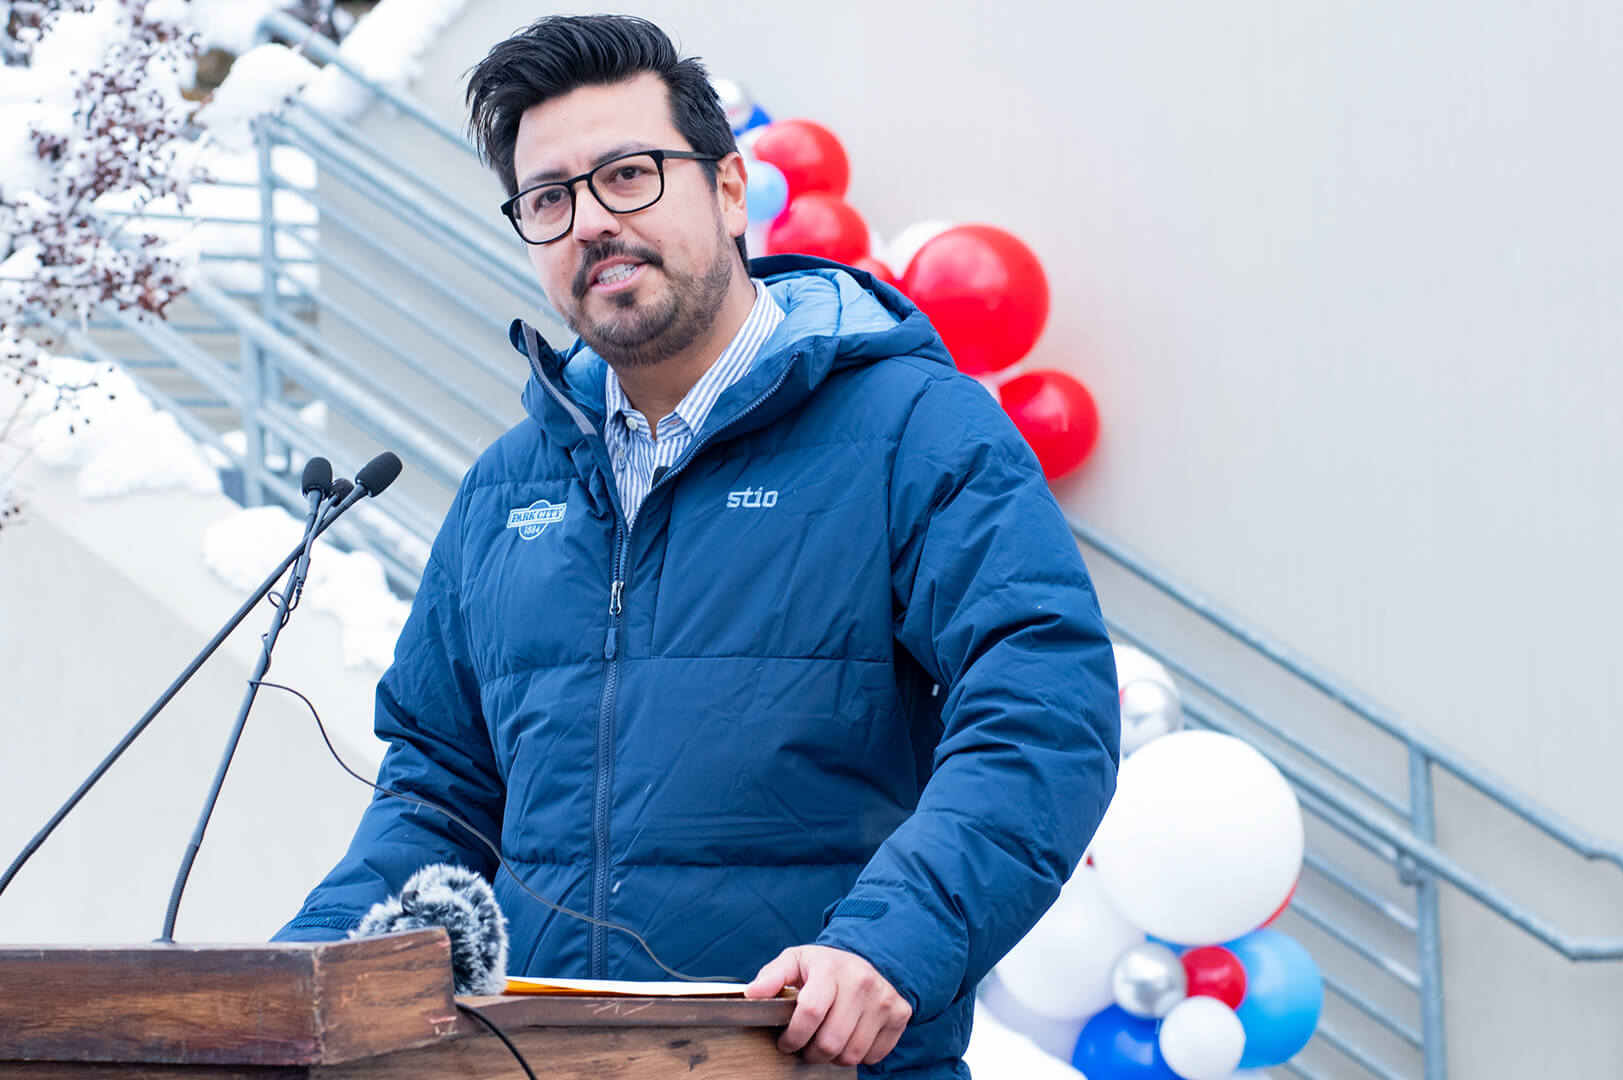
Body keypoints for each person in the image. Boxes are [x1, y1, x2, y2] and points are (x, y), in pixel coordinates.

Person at [275, 15, 1119, 1077]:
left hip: (814, 1062)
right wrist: (298, 979)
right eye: (550, 199)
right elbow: (439, 786)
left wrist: (888, 949)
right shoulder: (507, 489)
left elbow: (1043, 711)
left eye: (628, 175)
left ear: (727, 188)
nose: (591, 222)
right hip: (538, 1064)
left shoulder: (916, 431)